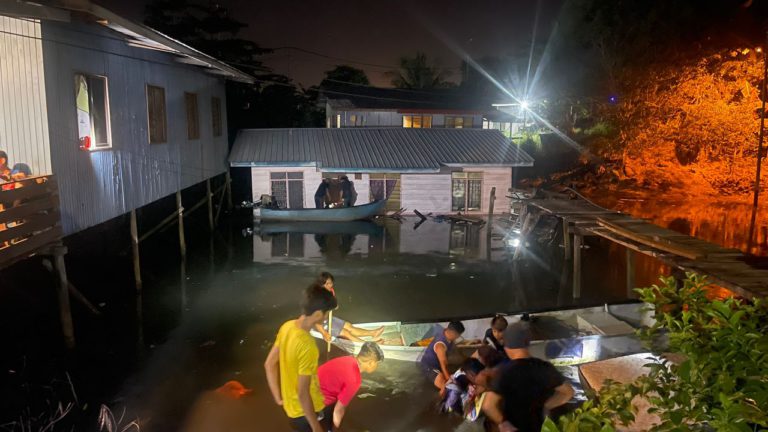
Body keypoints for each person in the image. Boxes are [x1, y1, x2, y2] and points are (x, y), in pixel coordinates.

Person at [264, 284, 338, 432]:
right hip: (307, 414)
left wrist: (278, 398)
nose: (326, 318)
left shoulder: (287, 326)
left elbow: (269, 364)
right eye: (326, 314)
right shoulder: (308, 346)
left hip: (291, 410)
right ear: (317, 314)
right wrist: (316, 427)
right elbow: (303, 393)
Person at [482, 321, 575, 432]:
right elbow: (568, 392)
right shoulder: (544, 368)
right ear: (527, 344)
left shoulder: (503, 371)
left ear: (507, 347)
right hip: (539, 427)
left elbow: (488, 405)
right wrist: (546, 406)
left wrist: (503, 423)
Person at [318, 342, 384, 429]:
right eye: (377, 364)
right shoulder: (355, 380)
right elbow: (338, 411)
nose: (377, 366)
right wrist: (336, 429)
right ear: (371, 363)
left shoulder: (347, 358)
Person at [314, 272, 384, 342]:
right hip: (320, 324)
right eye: (327, 284)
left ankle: (373, 333)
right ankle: (367, 345)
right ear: (321, 285)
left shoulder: (330, 291)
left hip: (328, 318)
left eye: (331, 283)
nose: (330, 286)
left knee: (349, 326)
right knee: (345, 332)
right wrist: (324, 333)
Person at [419, 321, 465, 393]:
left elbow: (455, 346)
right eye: (458, 335)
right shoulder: (440, 345)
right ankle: (439, 400)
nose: (458, 337)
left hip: (438, 363)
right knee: (446, 387)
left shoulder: (446, 333)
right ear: (453, 332)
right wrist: (448, 379)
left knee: (459, 363)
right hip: (429, 366)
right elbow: (443, 364)